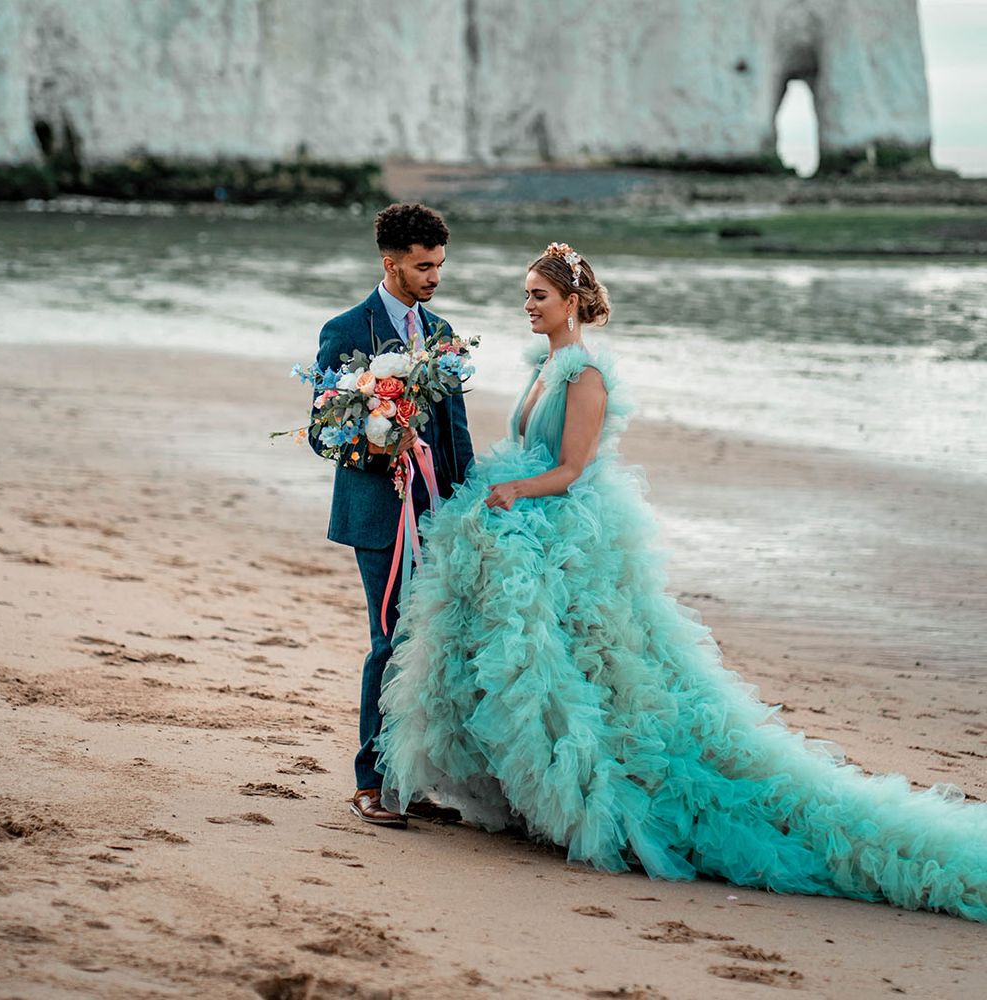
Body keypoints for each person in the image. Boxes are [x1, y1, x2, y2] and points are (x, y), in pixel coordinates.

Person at [374, 242, 987, 922]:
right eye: (525, 295)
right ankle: (518, 789)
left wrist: (516, 489)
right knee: (531, 666)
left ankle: (598, 796)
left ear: (571, 303)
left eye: (538, 297)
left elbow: (572, 468)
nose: (527, 306)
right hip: (528, 527)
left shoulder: (586, 375)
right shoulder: (545, 364)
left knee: (596, 673)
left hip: (564, 528)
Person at [310, 203, 474, 828]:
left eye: (439, 265)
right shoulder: (346, 329)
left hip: (436, 514)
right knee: (390, 640)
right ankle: (370, 782)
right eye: (423, 266)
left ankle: (411, 779)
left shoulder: (441, 331)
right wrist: (376, 444)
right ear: (391, 263)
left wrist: (466, 508)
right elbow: (322, 433)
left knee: (426, 645)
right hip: (378, 514)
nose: (434, 277)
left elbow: (454, 433)